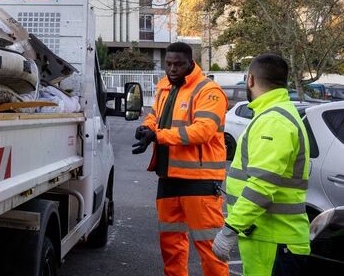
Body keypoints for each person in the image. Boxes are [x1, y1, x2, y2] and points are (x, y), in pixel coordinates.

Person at [132, 41, 229, 276]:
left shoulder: (208, 91)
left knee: (209, 247)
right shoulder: (165, 86)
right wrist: (146, 128)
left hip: (200, 180)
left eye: (179, 64)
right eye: (169, 64)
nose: (173, 69)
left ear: (191, 63)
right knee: (171, 245)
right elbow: (155, 115)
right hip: (168, 177)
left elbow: (203, 131)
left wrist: (158, 135)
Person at [212, 54, 310, 275]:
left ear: (251, 80)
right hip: (271, 240)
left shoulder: (273, 121)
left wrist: (230, 229)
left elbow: (261, 186)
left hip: (274, 241)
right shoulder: (274, 115)